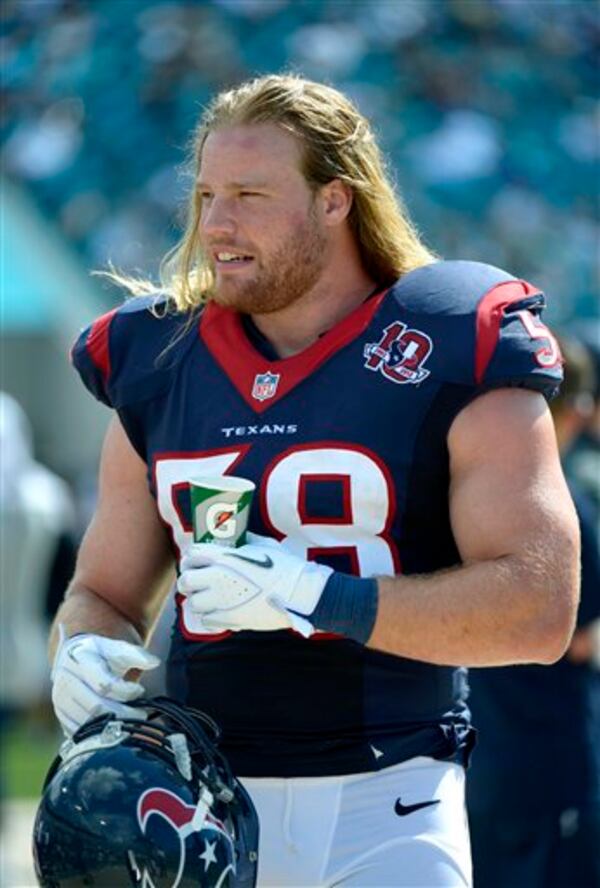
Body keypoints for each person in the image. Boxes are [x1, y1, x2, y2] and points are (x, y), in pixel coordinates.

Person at [48, 74, 580, 888]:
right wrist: (83, 649)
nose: (216, 225)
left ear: (336, 200)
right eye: (206, 195)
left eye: (251, 195)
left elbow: (541, 610)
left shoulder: (444, 337)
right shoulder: (157, 358)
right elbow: (105, 592)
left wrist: (319, 596)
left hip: (392, 801)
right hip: (198, 809)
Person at [467, 335, 600, 888]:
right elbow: (576, 637)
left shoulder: (467, 492)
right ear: (579, 410)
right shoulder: (563, 506)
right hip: (547, 759)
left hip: (481, 751)